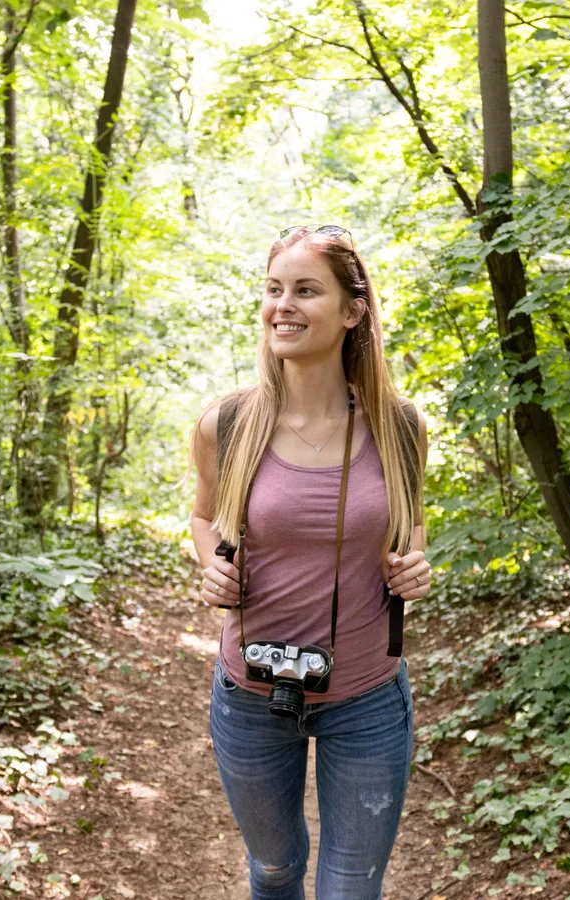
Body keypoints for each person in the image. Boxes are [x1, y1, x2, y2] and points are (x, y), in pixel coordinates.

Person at [189, 224, 432, 900]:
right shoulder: (229, 422)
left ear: (354, 310)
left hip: (367, 698)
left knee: (351, 887)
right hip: (251, 694)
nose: (281, 306)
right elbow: (204, 517)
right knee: (274, 869)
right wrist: (211, 563)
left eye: (304, 290)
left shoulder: (400, 426)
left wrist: (415, 565)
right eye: (273, 290)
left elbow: (410, 533)